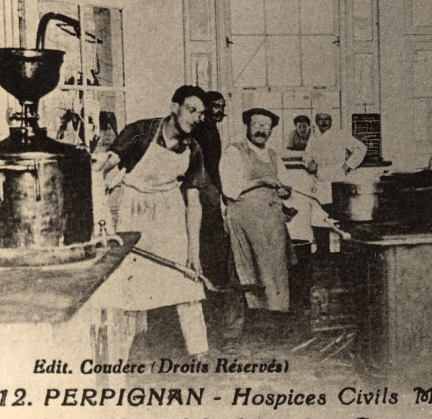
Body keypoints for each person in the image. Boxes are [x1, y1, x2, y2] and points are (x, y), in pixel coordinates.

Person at [94, 84, 211, 359]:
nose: (197, 117)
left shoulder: (193, 148)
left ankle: (200, 352)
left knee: (186, 280)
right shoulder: (141, 131)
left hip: (170, 211)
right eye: (191, 109)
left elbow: (193, 202)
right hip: (134, 209)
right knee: (130, 284)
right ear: (174, 107)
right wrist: (95, 168)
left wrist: (193, 252)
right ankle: (120, 356)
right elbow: (109, 162)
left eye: (201, 113)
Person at [220, 108, 296, 320]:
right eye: (256, 124)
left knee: (276, 273)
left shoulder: (273, 156)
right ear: (247, 126)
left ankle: (275, 317)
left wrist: (285, 191)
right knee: (249, 272)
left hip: (272, 224)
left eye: (266, 126)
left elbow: (285, 186)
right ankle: (249, 321)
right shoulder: (234, 152)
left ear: (271, 130)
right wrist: (261, 181)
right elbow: (229, 189)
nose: (261, 130)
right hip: (246, 225)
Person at [193, 91, 243, 341]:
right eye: (215, 106)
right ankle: (210, 313)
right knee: (210, 254)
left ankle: (213, 312)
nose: (219, 111)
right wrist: (217, 192)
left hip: (210, 192)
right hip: (205, 193)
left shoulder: (211, 129)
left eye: (222, 106)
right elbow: (206, 167)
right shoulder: (203, 130)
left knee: (214, 254)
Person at [303, 112, 368, 211]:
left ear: (331, 121)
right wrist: (309, 162)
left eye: (326, 119)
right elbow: (307, 155)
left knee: (339, 210)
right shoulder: (314, 137)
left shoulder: (340, 135)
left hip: (338, 178)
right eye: (320, 119)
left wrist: (348, 165)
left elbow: (361, 148)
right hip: (321, 179)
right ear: (316, 121)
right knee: (322, 212)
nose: (324, 122)